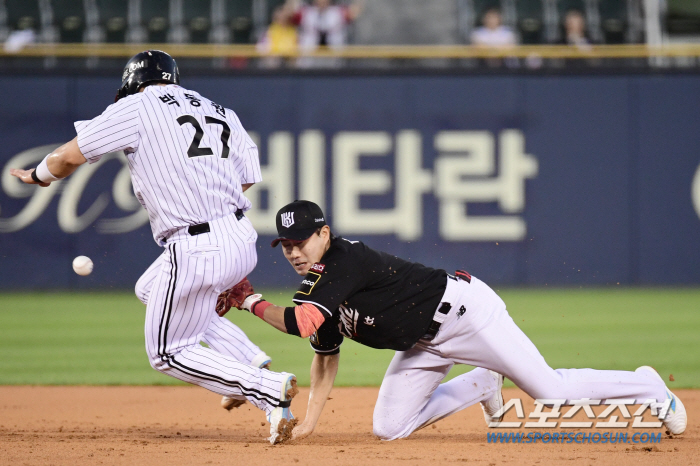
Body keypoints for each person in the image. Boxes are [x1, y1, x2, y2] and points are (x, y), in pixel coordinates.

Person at [9, 50, 298, 445]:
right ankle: (246, 359)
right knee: (149, 288)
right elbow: (245, 177)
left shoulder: (136, 106)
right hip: (239, 236)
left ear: (132, 82)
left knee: (166, 352)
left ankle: (264, 384)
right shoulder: (220, 109)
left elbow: (65, 158)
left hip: (196, 246)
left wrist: (37, 175)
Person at [221, 200, 687, 441]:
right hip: (421, 344)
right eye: (285, 246)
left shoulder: (344, 261)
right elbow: (323, 355)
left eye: (301, 240)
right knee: (389, 429)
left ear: (324, 234)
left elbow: (298, 323)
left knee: (552, 391)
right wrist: (310, 423)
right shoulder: (318, 288)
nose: (294, 251)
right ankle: (481, 385)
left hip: (466, 316)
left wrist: (248, 301)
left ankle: (649, 389)